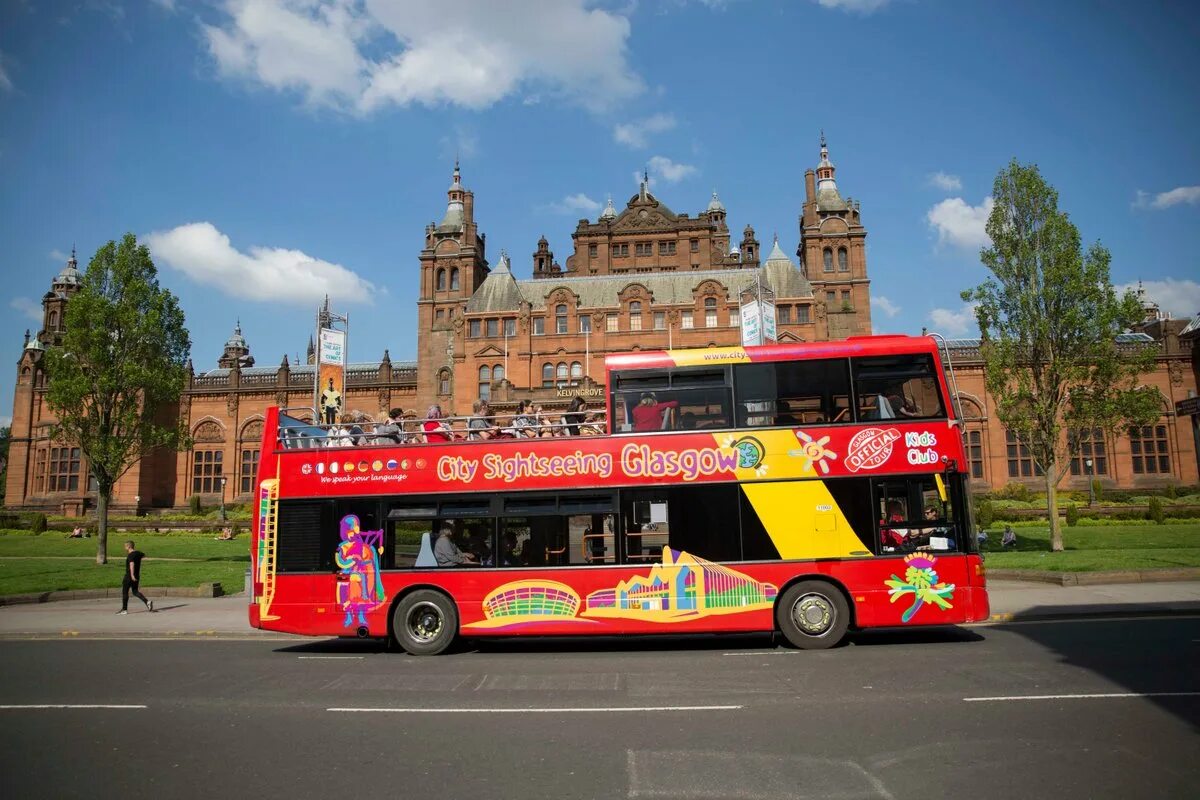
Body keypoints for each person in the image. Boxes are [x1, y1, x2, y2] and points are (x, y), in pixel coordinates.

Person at [116, 540, 154, 615]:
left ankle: (124, 609)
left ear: (129, 546)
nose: (124, 548)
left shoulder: (130, 555)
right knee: (135, 591)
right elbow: (144, 555)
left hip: (129, 576)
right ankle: (147, 602)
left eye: (125, 546)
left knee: (125, 592)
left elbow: (131, 564)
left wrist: (132, 575)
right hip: (137, 576)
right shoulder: (138, 553)